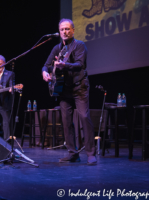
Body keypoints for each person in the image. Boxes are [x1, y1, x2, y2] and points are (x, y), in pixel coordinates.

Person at [42, 19, 97, 165]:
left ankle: (91, 154)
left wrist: (64, 65)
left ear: (73, 30)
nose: (65, 32)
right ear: (59, 32)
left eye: (67, 29)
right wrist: (45, 73)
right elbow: (46, 65)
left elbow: (79, 65)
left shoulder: (79, 45)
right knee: (66, 122)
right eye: (62, 30)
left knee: (84, 117)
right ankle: (73, 154)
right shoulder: (57, 48)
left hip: (79, 87)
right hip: (63, 90)